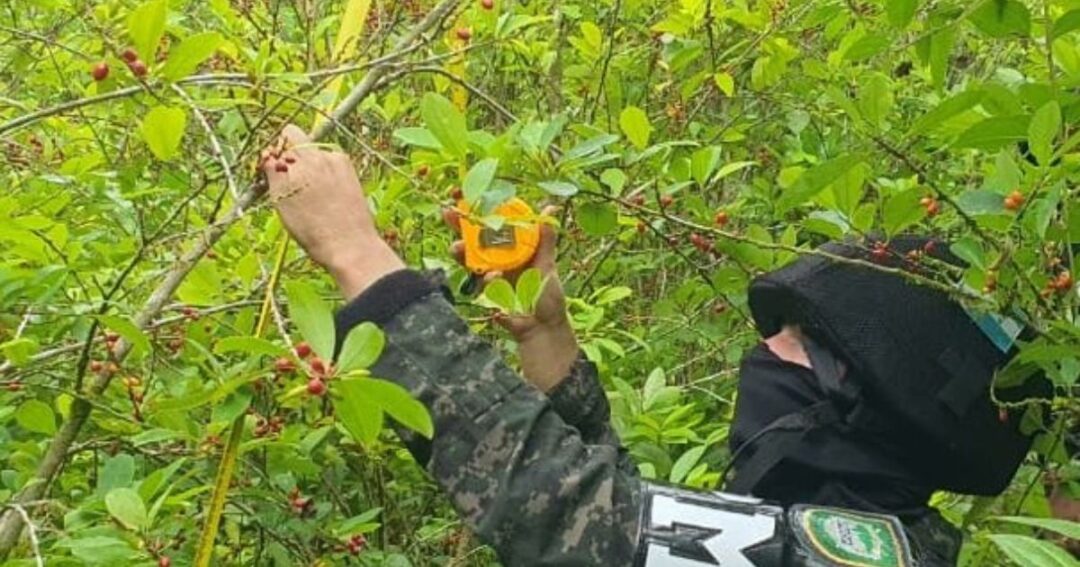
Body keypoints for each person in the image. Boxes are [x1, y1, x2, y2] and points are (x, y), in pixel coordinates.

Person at [262, 125, 938, 566]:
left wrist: (358, 255)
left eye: (799, 341)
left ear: (867, 398)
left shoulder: (860, 556)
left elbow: (581, 522)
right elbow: (644, 522)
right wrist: (547, 334)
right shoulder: (847, 525)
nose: (765, 349)